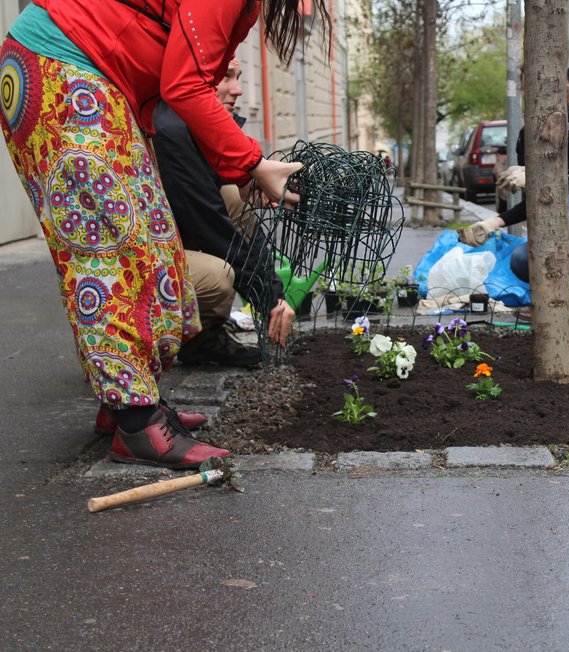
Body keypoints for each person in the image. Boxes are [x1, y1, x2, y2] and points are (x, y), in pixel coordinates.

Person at [0, 0, 326, 468]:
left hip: (87, 72)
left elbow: (183, 80)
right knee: (113, 249)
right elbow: (186, 85)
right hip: (61, 66)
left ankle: (129, 402)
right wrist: (251, 163)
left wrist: (245, 167)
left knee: (152, 241)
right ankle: (137, 426)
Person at [457, 70, 569, 320]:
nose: (537, 94)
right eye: (529, 87)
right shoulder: (526, 137)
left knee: (560, 199)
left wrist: (533, 180)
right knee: (521, 260)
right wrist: (491, 224)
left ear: (564, 88)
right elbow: (536, 202)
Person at [152, 57, 295, 369]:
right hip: (128, 262)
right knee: (219, 277)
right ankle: (138, 350)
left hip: (168, 235)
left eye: (239, 77)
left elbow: (241, 223)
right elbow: (213, 229)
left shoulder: (196, 128)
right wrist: (268, 301)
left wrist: (274, 295)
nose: (239, 90)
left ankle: (203, 336)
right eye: (226, 77)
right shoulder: (171, 131)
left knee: (232, 196)